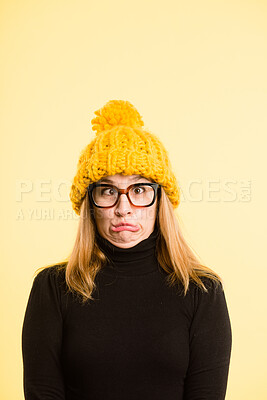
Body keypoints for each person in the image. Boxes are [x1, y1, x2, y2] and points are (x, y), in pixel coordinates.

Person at [22, 100, 232, 400]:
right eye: (107, 190)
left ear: (160, 200)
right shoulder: (53, 288)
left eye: (139, 190)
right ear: (90, 205)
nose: (124, 208)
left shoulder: (202, 291)